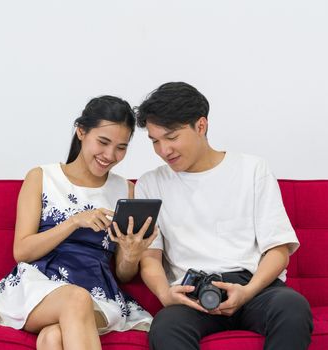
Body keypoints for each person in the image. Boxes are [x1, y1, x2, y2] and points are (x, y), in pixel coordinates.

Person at [133, 82, 313, 349]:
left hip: (254, 287)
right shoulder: (150, 184)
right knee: (166, 327)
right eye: (155, 141)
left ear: (201, 126)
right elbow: (150, 257)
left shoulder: (252, 169)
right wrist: (164, 293)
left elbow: (278, 249)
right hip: (192, 294)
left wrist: (248, 292)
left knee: (292, 307)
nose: (163, 150)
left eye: (171, 138)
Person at [0, 95, 156, 350]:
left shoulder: (124, 189)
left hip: (98, 292)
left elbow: (124, 273)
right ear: (81, 131)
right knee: (75, 299)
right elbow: (22, 251)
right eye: (103, 142)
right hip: (35, 288)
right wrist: (74, 222)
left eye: (121, 147)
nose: (110, 155)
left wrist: (132, 255)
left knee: (53, 337)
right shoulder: (42, 177)